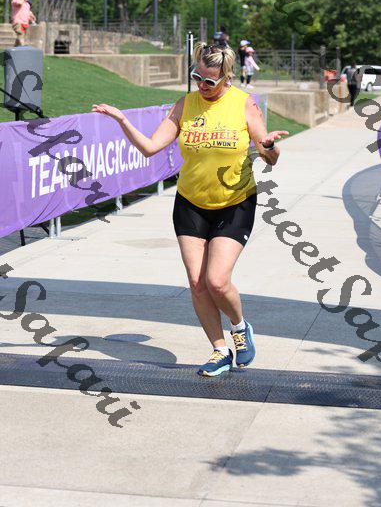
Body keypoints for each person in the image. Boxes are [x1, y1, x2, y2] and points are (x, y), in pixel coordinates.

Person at [92, 43, 289, 377]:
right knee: (197, 284)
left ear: (226, 78)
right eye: (197, 77)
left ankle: (239, 327)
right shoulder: (185, 105)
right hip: (190, 203)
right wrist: (122, 120)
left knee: (217, 281)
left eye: (209, 81)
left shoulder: (243, 104)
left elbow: (268, 155)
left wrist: (271, 148)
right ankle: (219, 350)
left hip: (234, 202)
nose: (202, 85)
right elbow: (150, 148)